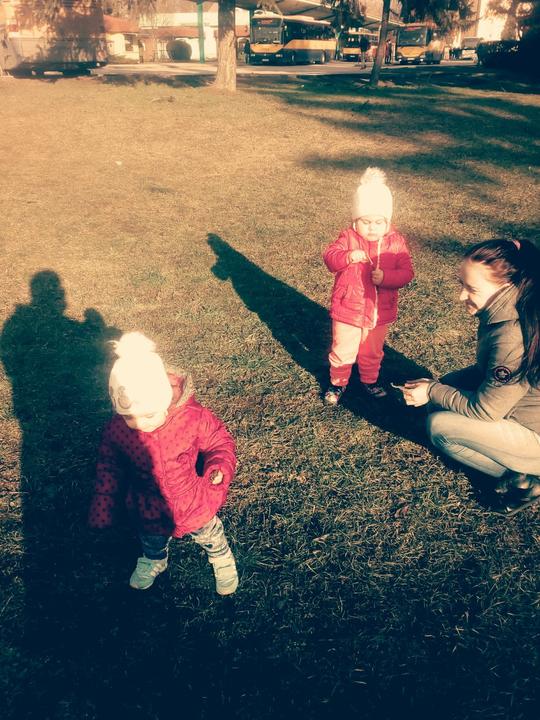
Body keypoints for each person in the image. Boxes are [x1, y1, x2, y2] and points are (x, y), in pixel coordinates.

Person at [88, 332, 239, 594]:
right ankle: (154, 558)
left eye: (148, 415)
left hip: (191, 497)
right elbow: (109, 466)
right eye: (129, 417)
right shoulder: (117, 430)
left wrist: (217, 466)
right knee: (151, 536)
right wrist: (104, 503)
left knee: (207, 530)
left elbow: (219, 442)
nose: (140, 424)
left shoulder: (192, 417)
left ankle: (220, 555)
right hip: (147, 502)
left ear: (164, 400)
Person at [402, 239, 540, 516]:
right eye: (461, 284)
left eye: (472, 289)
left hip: (534, 433)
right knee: (445, 394)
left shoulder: (511, 335)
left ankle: (526, 480)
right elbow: (486, 372)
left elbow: (486, 410)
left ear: (507, 287)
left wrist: (431, 391)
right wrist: (442, 387)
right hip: (520, 410)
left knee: (439, 426)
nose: (461, 296)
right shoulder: (512, 310)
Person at [322, 168, 415, 405]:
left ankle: (370, 380)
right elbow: (330, 257)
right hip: (348, 309)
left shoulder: (396, 243)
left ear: (387, 221)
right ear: (355, 221)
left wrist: (386, 278)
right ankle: (337, 382)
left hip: (378, 313)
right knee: (343, 348)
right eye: (366, 221)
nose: (372, 227)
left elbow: (406, 273)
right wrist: (347, 256)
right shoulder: (348, 238)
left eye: (378, 222)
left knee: (372, 351)